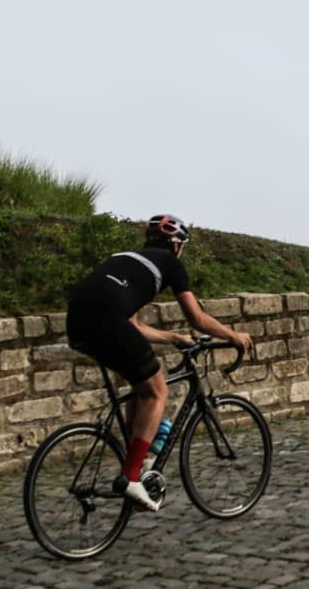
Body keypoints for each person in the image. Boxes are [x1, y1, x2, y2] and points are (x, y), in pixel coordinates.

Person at [65, 215, 253, 512]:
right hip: (108, 320)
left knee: (138, 384)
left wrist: (173, 337)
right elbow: (197, 318)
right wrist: (233, 336)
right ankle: (131, 477)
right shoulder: (170, 264)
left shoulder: (124, 260)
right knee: (157, 391)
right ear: (176, 245)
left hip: (77, 323)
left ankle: (134, 460)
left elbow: (132, 324)